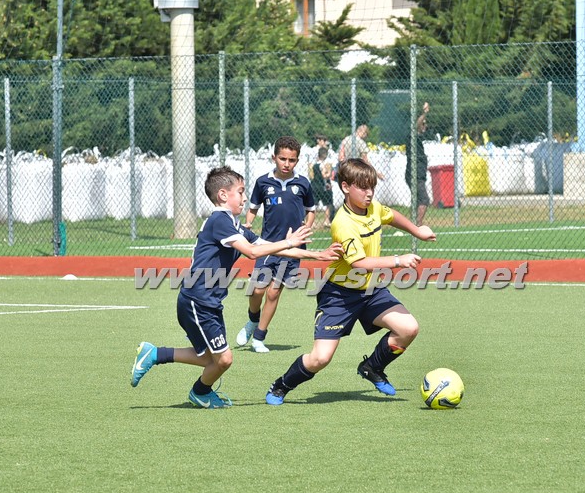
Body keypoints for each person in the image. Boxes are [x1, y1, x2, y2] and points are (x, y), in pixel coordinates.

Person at [130, 166, 340, 408]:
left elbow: (268, 247)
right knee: (224, 360)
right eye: (240, 192)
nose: (244, 197)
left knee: (209, 359)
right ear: (222, 195)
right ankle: (199, 392)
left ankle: (156, 355)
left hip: (207, 302)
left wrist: (317, 255)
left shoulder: (234, 225)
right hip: (197, 300)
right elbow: (252, 252)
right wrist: (289, 241)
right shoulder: (219, 220)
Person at [265, 158, 437, 405]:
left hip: (371, 290)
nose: (369, 193)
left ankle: (372, 367)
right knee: (320, 358)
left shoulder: (373, 208)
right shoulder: (342, 223)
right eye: (363, 187)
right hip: (339, 295)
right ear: (345, 187)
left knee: (408, 329)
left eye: (372, 187)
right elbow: (359, 263)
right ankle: (282, 385)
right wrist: (398, 260)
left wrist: (417, 231)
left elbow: (391, 215)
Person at [235, 136, 316, 354]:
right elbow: (253, 208)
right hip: (267, 246)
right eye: (282, 159)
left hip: (292, 249)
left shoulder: (303, 183)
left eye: (292, 160)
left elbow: (311, 211)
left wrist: (306, 227)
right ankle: (253, 320)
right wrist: (248, 224)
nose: (287, 164)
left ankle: (259, 338)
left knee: (273, 293)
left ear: (297, 160)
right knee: (257, 290)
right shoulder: (263, 182)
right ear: (274, 158)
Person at [406, 102, 432, 226]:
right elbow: (417, 124)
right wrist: (425, 113)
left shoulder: (418, 140)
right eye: (423, 124)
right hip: (414, 174)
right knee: (424, 199)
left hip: (418, 174)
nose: (425, 126)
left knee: (417, 200)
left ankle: (413, 224)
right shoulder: (413, 137)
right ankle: (418, 224)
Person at [311, 146, 334, 227]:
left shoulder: (314, 164)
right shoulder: (323, 164)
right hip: (323, 186)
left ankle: (312, 222)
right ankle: (326, 221)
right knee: (327, 203)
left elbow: (312, 175)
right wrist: (329, 174)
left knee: (314, 205)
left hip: (315, 185)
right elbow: (324, 175)